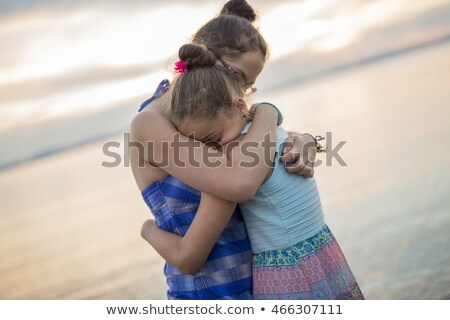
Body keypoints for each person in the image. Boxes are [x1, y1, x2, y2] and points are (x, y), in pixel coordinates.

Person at [142, 43, 365, 300]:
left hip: (286, 268)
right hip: (320, 251)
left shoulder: (241, 149)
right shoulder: (261, 129)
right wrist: (269, 111)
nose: (213, 150)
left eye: (214, 138)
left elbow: (242, 185)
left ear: (238, 106)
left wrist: (147, 229)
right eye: (238, 76)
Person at [132, 0, 318, 300]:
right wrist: (268, 113)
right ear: (205, 55)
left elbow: (252, 145)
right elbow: (238, 181)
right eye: (238, 78)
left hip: (257, 282)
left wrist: (304, 140)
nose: (242, 92)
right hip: (208, 294)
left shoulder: (215, 117)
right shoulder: (150, 123)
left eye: (249, 86)